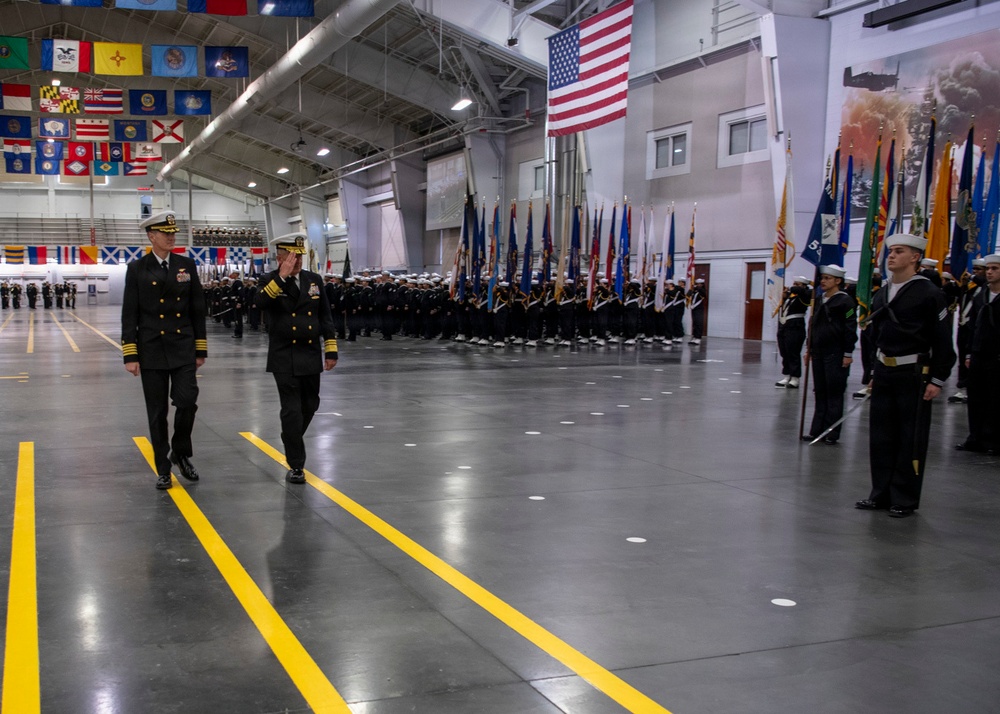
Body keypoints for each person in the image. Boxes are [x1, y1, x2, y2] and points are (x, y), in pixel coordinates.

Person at [855, 233, 956, 518]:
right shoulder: (882, 293)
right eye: (890, 251)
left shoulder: (929, 293)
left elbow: (942, 340)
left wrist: (938, 378)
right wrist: (875, 371)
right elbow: (876, 336)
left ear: (915, 257)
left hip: (914, 373)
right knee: (881, 436)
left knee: (909, 437)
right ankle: (881, 493)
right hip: (886, 371)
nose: (892, 256)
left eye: (899, 251)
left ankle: (905, 497)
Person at [122, 211, 207, 490]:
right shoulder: (137, 268)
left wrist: (200, 348)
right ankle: (162, 467)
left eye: (173, 233)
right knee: (157, 412)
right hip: (151, 349)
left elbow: (197, 308)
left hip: (182, 345)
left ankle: (180, 452)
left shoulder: (186, 265)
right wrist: (130, 354)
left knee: (187, 401)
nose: (171, 237)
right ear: (151, 236)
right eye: (165, 233)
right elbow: (129, 313)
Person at [256, 233, 338, 484]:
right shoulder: (269, 280)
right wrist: (281, 278)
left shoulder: (313, 280)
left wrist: (331, 349)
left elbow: (325, 315)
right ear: (280, 258)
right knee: (291, 410)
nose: (298, 260)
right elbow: (258, 302)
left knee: (310, 405)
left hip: (310, 353)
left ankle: (290, 437)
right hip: (284, 355)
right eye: (293, 256)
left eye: (300, 255)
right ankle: (296, 465)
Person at [802, 266, 857, 444]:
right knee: (820, 392)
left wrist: (848, 353)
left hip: (836, 353)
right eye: (822, 278)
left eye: (827, 278)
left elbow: (850, 328)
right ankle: (816, 430)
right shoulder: (819, 300)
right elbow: (813, 325)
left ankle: (831, 432)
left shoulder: (845, 302)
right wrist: (809, 348)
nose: (823, 281)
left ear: (838, 281)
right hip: (818, 352)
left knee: (834, 393)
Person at [956, 253, 1000, 454]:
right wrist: (967, 354)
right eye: (988, 269)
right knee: (976, 397)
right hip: (978, 354)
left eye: (994, 269)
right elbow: (972, 326)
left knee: (994, 399)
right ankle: (975, 438)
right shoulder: (981, 294)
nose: (989, 272)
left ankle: (993, 440)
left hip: (997, 357)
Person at [776, 276, 811, 389]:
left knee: (793, 352)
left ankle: (795, 377)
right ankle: (787, 375)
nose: (795, 286)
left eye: (798, 284)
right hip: (784, 326)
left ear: (804, 286)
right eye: (794, 283)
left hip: (795, 326)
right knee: (784, 351)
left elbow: (802, 292)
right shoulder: (791, 297)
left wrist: (792, 288)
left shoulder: (805, 296)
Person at [687, 278, 707, 345]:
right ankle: (694, 337)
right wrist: (691, 289)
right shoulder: (695, 290)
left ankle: (698, 337)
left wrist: (697, 288)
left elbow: (703, 293)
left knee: (699, 323)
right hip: (694, 309)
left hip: (699, 309)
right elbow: (688, 294)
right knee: (694, 323)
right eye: (697, 283)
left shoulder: (702, 290)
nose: (698, 285)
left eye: (699, 284)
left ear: (702, 284)